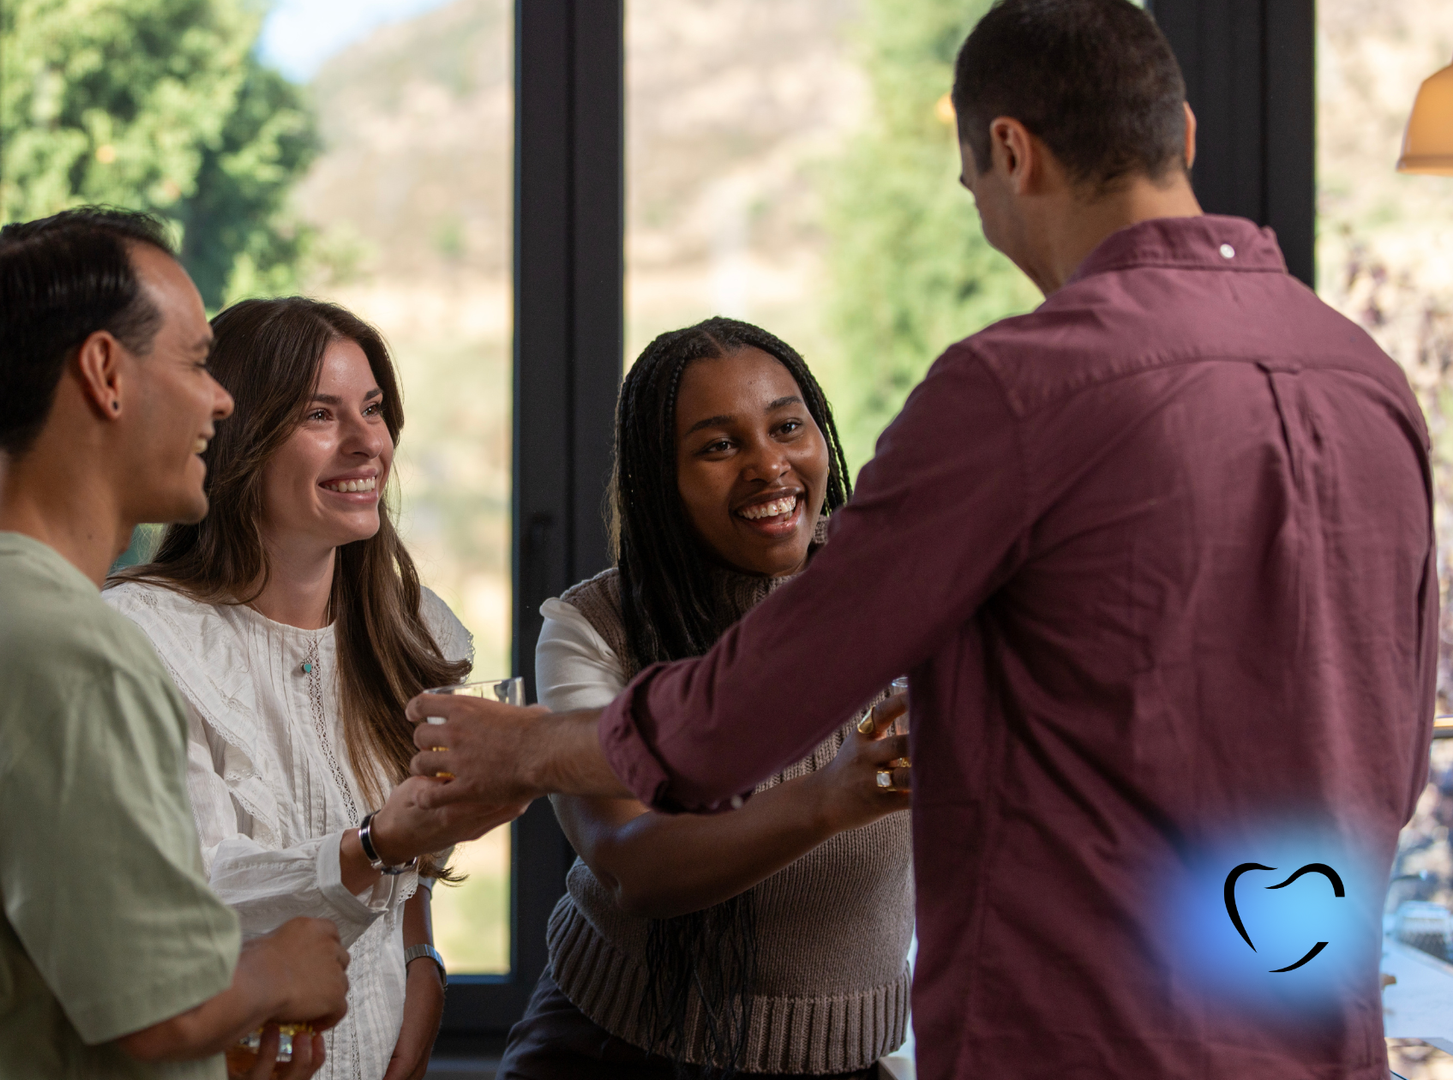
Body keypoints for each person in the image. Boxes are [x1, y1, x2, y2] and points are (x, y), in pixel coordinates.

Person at [403, 3, 1435, 1078]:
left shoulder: (1022, 388)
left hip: (1081, 1042)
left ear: (1009, 152)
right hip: (1310, 1030)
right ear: (1183, 136)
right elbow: (1389, 750)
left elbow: (765, 690)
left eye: (975, 190)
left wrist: (531, 747)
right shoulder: (1368, 380)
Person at [0, 209, 350, 1080]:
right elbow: (160, 1012)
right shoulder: (70, 656)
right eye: (198, 362)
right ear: (104, 373)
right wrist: (280, 970)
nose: (222, 399)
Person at [105, 296, 527, 1080]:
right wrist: (375, 842)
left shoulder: (405, 626)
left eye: (373, 409)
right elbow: (195, 897)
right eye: (320, 415)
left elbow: (410, 862)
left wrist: (424, 957)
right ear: (238, 441)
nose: (369, 442)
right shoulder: (143, 638)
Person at [497, 318, 913, 1080]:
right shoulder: (592, 630)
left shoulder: (897, 592)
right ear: (662, 477)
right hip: (614, 1049)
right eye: (720, 446)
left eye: (788, 427)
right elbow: (633, 867)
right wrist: (833, 797)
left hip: (845, 1060)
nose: (769, 465)